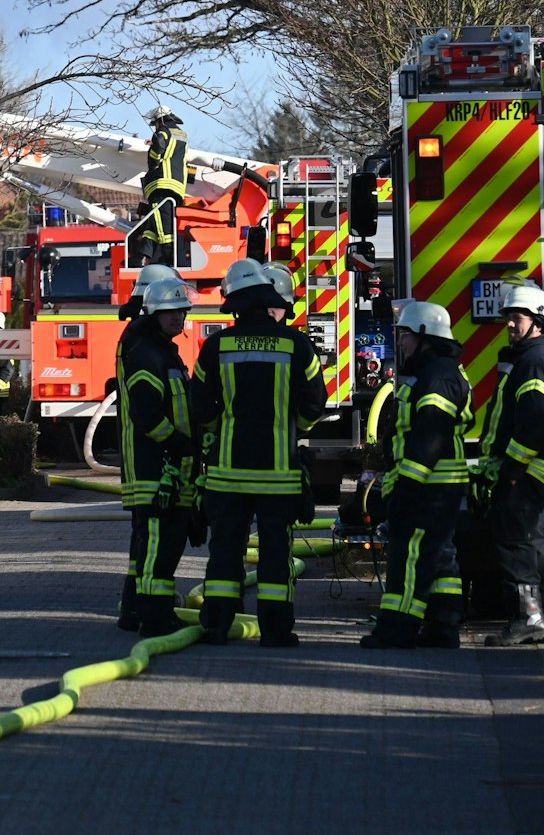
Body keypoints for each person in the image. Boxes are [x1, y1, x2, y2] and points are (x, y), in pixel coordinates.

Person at [192, 260, 328, 647]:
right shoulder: (296, 345)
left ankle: (217, 625)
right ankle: (276, 630)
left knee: (225, 550)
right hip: (278, 474)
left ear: (235, 304)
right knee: (275, 553)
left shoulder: (216, 346)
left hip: (228, 473)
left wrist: (220, 430)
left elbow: (199, 404)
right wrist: (293, 429)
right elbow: (315, 404)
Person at [360, 300, 473, 649]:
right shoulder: (435, 372)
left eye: (406, 335)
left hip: (428, 487)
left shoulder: (437, 376)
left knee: (409, 557)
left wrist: (408, 484)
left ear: (425, 336)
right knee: (439, 557)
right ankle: (442, 626)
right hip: (436, 486)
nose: (401, 342)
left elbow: (430, 435)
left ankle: (397, 629)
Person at [482, 282, 544, 646]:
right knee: (532, 544)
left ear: (538, 321)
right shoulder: (540, 356)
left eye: (516, 318)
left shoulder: (536, 361)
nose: (509, 324)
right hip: (538, 469)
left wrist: (512, 469)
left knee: (515, 543)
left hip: (529, 470)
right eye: (508, 317)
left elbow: (535, 422)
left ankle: (529, 619)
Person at [116, 276, 201, 635]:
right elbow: (147, 414)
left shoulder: (165, 352)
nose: (177, 317)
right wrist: (179, 444)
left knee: (155, 544)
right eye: (169, 312)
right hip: (153, 467)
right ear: (154, 314)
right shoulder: (147, 355)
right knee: (156, 545)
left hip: (168, 468)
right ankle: (154, 616)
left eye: (181, 312)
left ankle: (135, 609)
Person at [133, 104, 188, 268]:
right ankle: (141, 257)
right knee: (154, 223)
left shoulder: (163, 131)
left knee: (165, 228)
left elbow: (160, 144)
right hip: (177, 186)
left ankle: (170, 258)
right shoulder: (181, 134)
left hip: (161, 185)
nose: (155, 127)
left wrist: (154, 162)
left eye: (155, 123)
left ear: (159, 120)